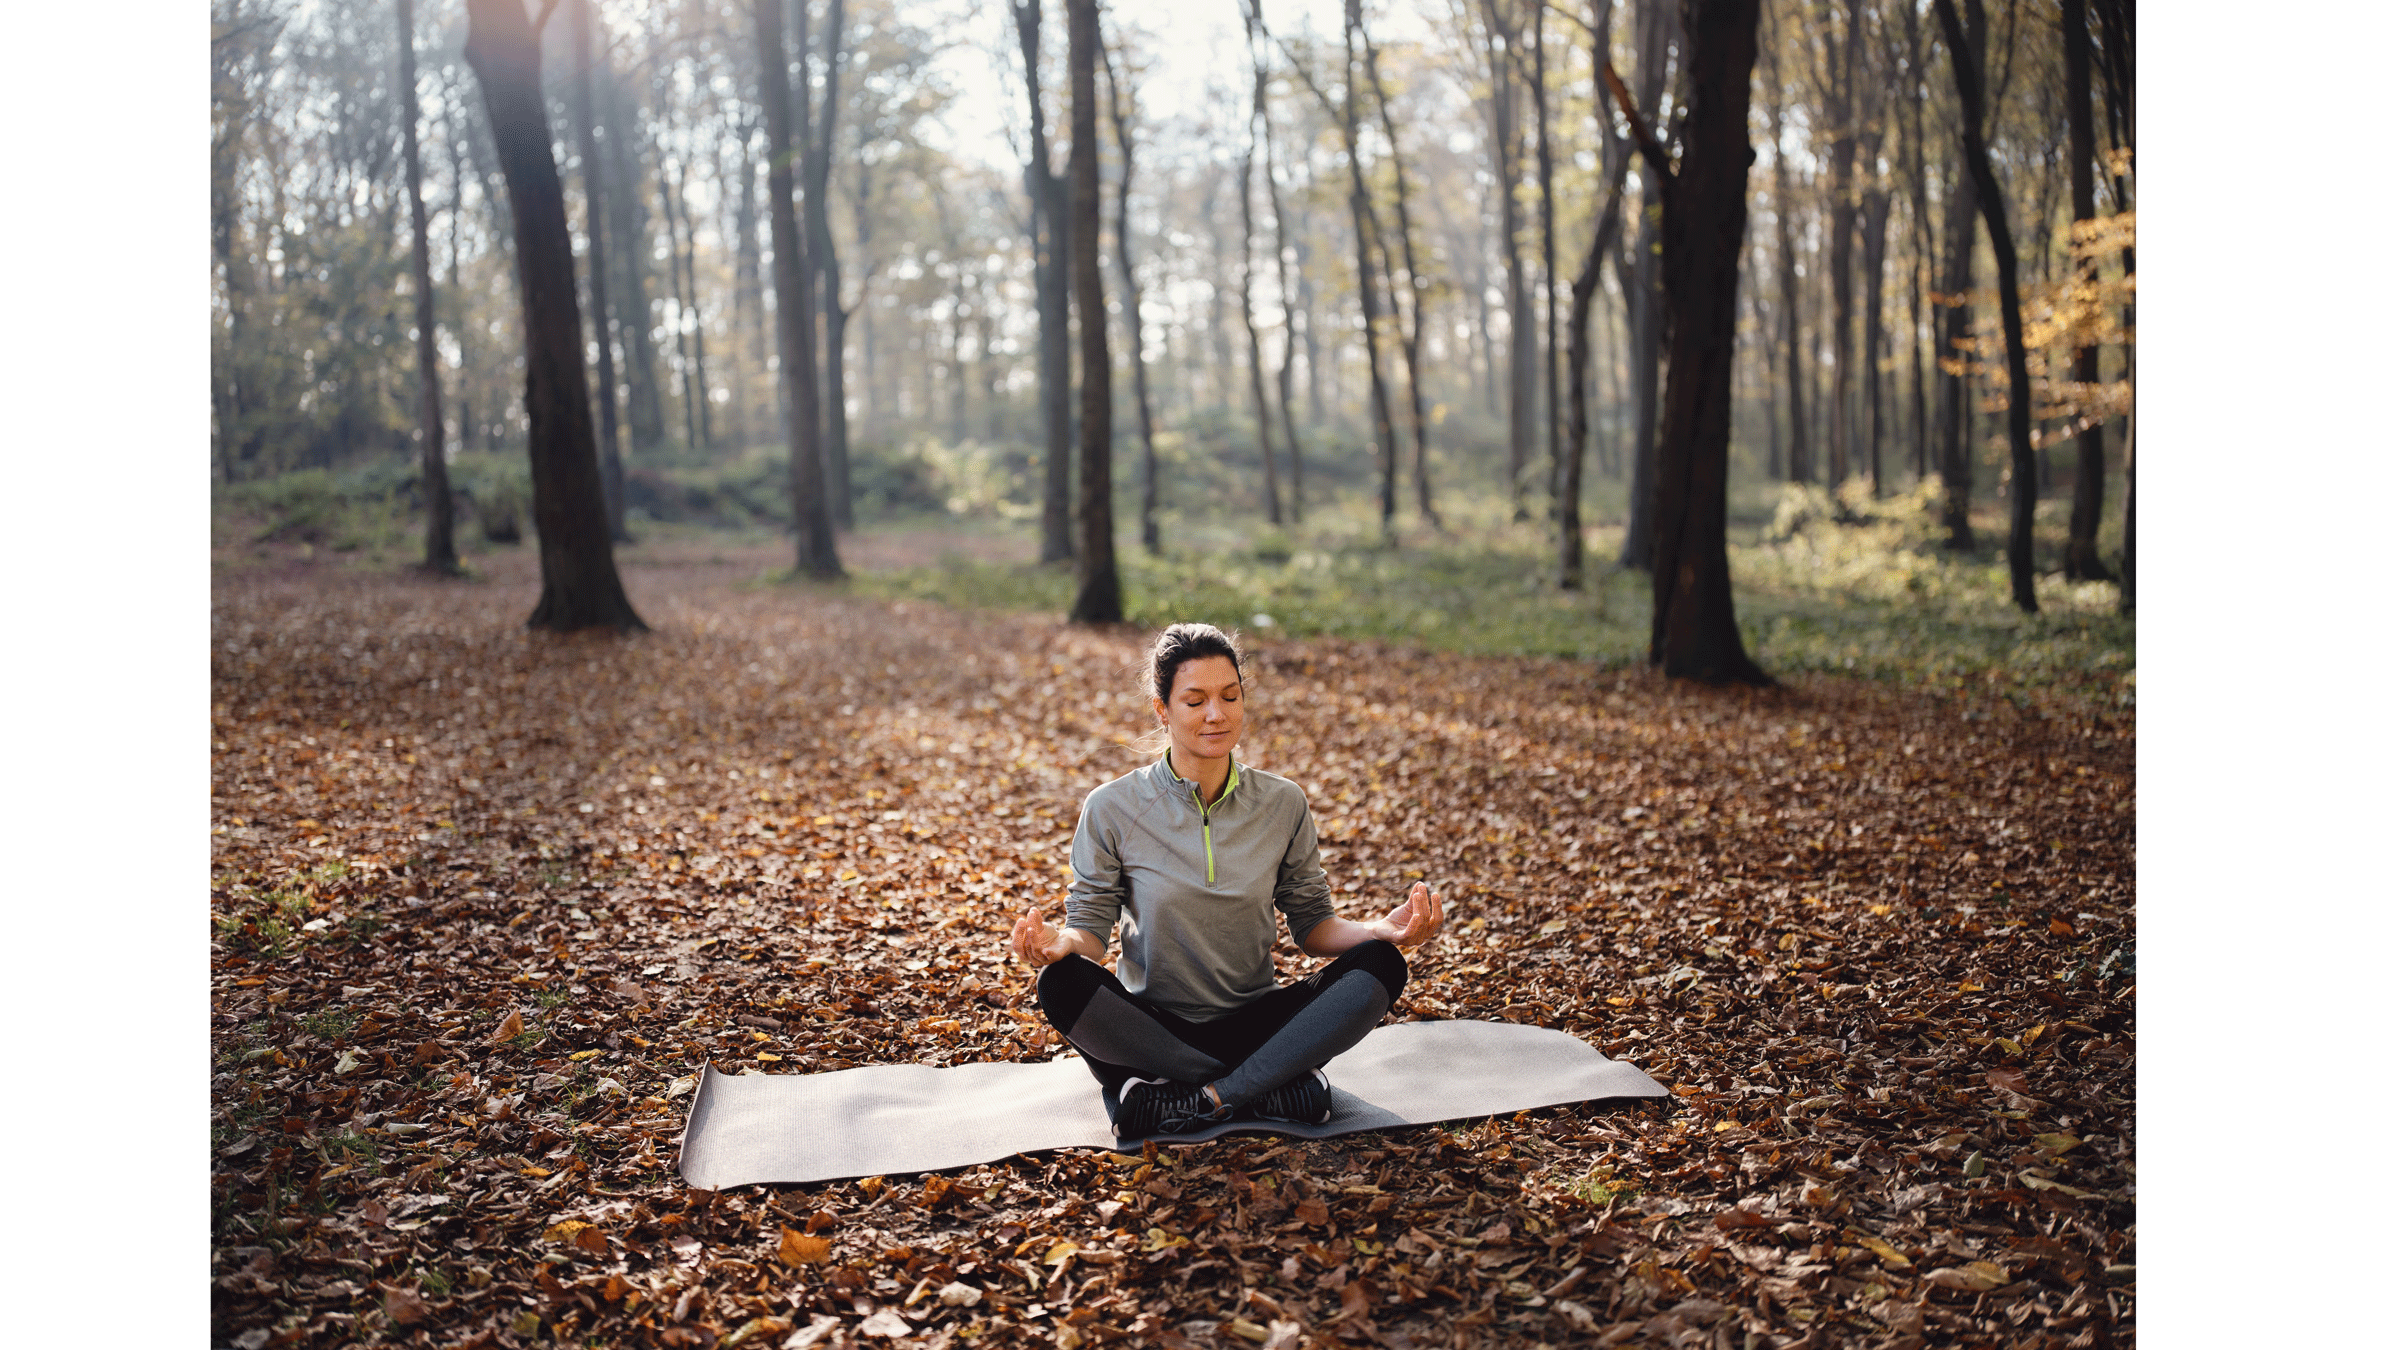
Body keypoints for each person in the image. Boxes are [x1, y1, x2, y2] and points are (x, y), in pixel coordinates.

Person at [1007, 622, 1444, 1139]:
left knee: (1381, 965)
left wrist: (1379, 930)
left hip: (1258, 1023)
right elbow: (1090, 932)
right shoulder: (1112, 808)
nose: (1217, 714)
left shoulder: (1283, 803)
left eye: (1229, 696)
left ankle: (1190, 1098)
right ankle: (1272, 1085)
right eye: (1195, 701)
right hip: (1151, 1029)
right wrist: (1059, 944)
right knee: (1059, 982)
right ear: (1162, 710)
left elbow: (1313, 927)